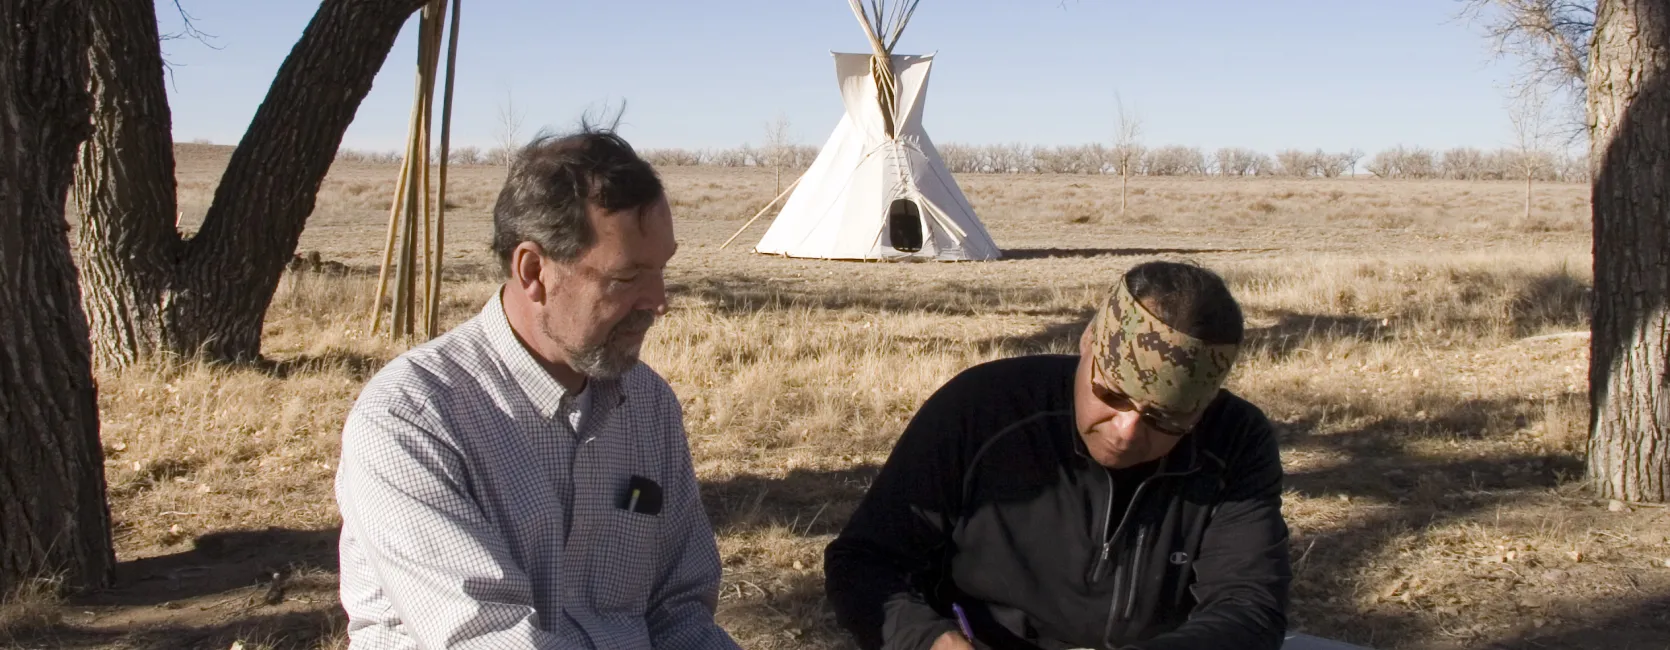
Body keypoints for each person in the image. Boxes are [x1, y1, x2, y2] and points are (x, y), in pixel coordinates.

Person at [334, 126, 740, 650]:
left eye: (661, 270)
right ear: (533, 270)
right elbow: (486, 638)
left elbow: (680, 608)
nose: (658, 301)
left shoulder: (648, 406)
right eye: (626, 277)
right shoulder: (411, 420)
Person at [823, 260, 1292, 650]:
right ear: (1087, 343)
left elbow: (1247, 607)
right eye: (1111, 395)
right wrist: (927, 639)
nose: (1127, 432)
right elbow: (863, 561)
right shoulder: (983, 407)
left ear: (1203, 408)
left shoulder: (1235, 440)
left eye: (1165, 419)